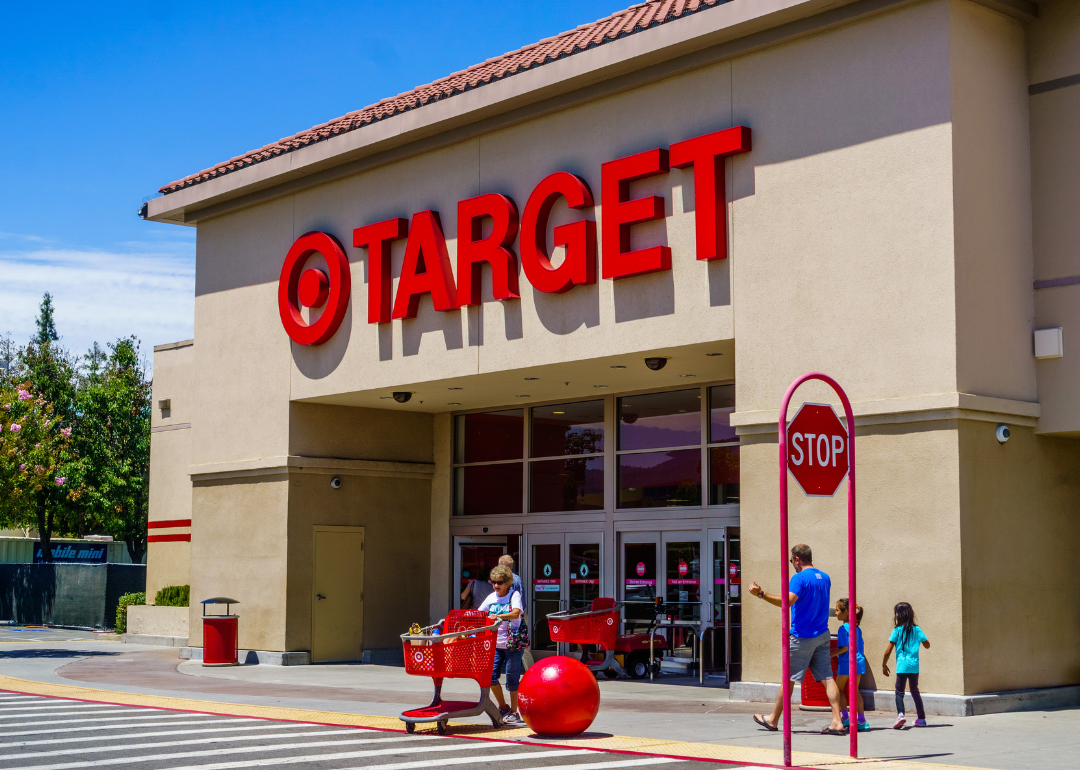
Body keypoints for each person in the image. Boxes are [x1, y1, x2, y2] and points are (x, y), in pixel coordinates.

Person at [749, 544, 845, 735]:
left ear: (797, 559)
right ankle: (837, 721)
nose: (792, 563)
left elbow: (786, 602)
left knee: (789, 679)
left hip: (802, 636)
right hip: (822, 635)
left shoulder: (799, 578)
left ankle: (773, 719)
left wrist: (761, 594)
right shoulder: (825, 578)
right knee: (827, 677)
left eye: (792, 560)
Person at [478, 564, 524, 726]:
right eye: (493, 582)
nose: (496, 585)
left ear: (508, 582)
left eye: (500, 582)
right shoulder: (491, 598)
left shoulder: (514, 595)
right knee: (490, 677)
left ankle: (514, 711)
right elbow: (479, 613)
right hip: (495, 644)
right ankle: (503, 707)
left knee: (512, 679)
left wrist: (497, 616)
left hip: (512, 644)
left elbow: (516, 613)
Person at [882, 601, 929, 729]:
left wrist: (884, 665)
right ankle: (921, 719)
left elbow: (888, 651)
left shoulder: (897, 630)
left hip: (902, 667)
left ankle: (901, 715)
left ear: (898, 616)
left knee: (899, 691)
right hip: (914, 667)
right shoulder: (917, 629)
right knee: (915, 691)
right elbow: (927, 645)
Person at [833, 598, 868, 732]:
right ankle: (861, 720)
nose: (836, 613)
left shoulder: (843, 628)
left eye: (837, 610)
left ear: (846, 612)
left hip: (847, 663)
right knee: (855, 691)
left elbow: (844, 648)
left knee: (838, 689)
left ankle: (845, 717)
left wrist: (830, 655)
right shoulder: (856, 628)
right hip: (858, 663)